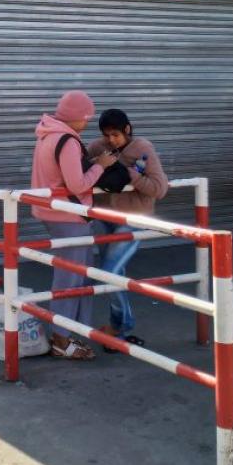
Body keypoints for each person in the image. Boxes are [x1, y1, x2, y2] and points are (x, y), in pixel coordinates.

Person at [30, 90, 118, 360]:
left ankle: (71, 330)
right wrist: (101, 166)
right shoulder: (67, 140)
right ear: (77, 116)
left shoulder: (47, 135)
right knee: (70, 277)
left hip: (52, 213)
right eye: (86, 117)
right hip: (68, 217)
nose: (88, 123)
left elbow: (61, 176)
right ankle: (61, 339)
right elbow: (77, 184)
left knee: (74, 274)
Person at [84, 109, 168, 348]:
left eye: (116, 135)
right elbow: (81, 171)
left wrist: (130, 175)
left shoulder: (142, 148)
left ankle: (121, 325)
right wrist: (97, 164)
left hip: (132, 219)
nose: (111, 140)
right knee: (114, 273)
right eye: (106, 135)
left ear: (127, 129)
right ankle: (119, 326)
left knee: (109, 271)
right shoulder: (98, 147)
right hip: (103, 216)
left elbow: (159, 189)